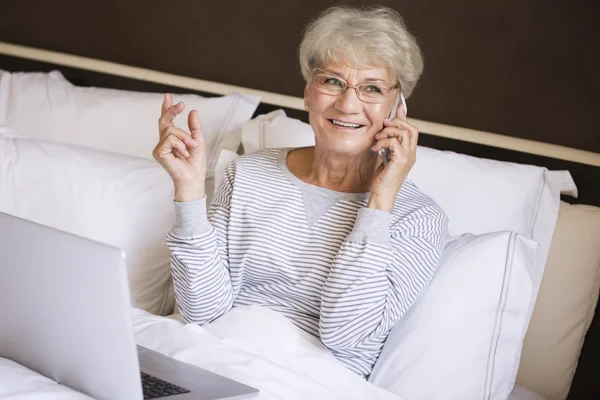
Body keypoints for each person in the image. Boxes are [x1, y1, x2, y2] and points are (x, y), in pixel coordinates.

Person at [152, 5, 449, 378]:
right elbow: (202, 312)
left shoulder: (418, 218)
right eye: (332, 82)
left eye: (372, 88)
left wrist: (380, 200)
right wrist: (189, 192)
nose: (348, 103)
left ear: (398, 108)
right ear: (308, 93)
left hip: (309, 382)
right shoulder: (247, 174)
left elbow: (345, 334)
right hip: (212, 362)